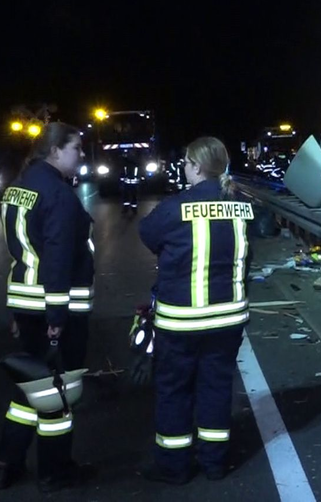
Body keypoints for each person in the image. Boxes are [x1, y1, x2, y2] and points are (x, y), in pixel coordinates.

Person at [138, 136, 252, 485]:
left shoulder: (174, 208)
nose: (184, 168)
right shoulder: (242, 206)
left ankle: (175, 467)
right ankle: (214, 463)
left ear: (197, 166)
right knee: (216, 388)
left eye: (186, 162)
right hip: (228, 319)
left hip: (181, 321)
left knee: (175, 390)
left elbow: (148, 235)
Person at [0, 122, 96, 493]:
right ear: (55, 151)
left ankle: (7, 462)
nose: (81, 155)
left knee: (29, 388)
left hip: (25, 301)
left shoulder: (18, 189)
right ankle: (55, 471)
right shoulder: (59, 195)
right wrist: (57, 317)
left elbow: (21, 253)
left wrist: (18, 313)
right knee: (59, 393)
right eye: (76, 148)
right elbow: (56, 258)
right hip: (55, 307)